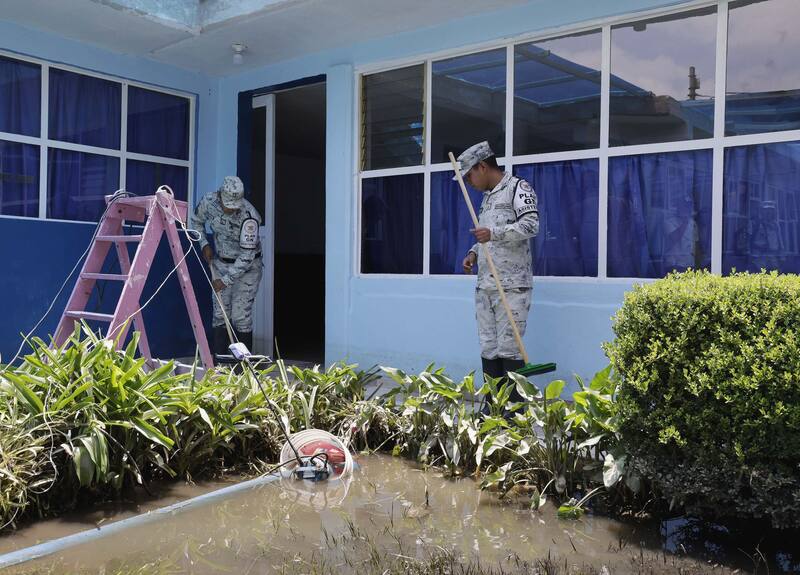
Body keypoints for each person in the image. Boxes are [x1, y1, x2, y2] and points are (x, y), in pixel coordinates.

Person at [456, 141, 539, 410]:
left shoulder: (518, 188)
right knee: (489, 348)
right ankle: (493, 408)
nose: (468, 181)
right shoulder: (486, 198)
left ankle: (514, 412)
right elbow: (485, 235)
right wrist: (473, 253)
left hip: (512, 286)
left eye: (469, 174)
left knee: (509, 350)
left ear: (483, 166)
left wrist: (494, 234)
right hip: (486, 287)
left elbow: (531, 225)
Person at [190, 175, 263, 355]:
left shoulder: (249, 216)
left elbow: (247, 256)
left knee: (240, 317)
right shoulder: (209, 201)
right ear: (220, 196)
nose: (230, 210)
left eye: (234, 206)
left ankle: (243, 368)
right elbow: (196, 222)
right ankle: (220, 364)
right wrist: (204, 244)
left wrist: (225, 280)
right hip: (220, 262)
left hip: (247, 269)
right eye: (227, 205)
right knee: (220, 314)